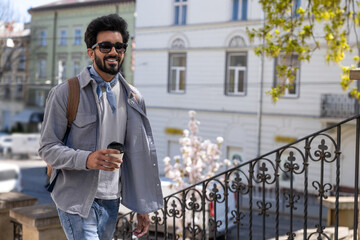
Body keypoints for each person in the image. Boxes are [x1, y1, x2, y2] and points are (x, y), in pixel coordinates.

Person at [39, 14, 163, 240]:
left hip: (112, 201)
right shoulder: (65, 93)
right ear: (91, 52)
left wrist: (142, 205)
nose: (114, 52)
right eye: (105, 46)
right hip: (77, 201)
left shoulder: (133, 97)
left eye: (119, 46)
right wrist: (87, 159)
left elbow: (138, 156)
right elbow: (47, 148)